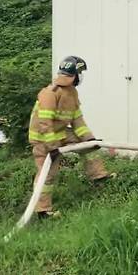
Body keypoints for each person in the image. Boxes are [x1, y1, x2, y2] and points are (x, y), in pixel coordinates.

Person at [28, 56, 112, 217]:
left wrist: (89, 139)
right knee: (47, 174)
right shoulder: (49, 93)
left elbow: (77, 120)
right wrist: (52, 148)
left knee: (88, 146)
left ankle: (99, 176)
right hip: (43, 139)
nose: (81, 77)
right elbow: (44, 123)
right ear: (75, 74)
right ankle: (43, 211)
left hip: (59, 133)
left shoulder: (71, 93)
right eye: (81, 73)